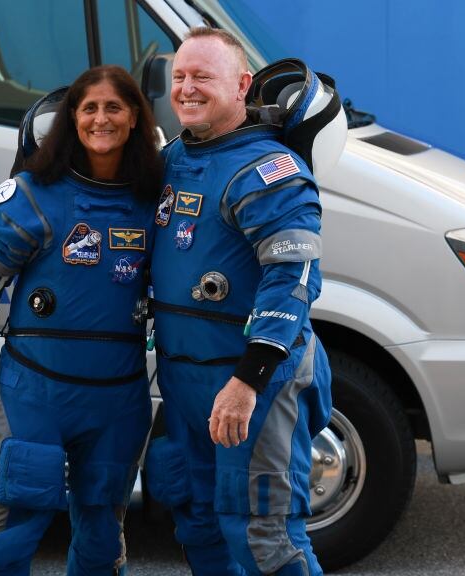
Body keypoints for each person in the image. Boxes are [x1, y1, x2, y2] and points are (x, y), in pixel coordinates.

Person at [0, 65, 162, 575]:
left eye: (113, 107)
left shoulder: (155, 203)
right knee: (12, 534)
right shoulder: (33, 195)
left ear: (133, 120)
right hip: (35, 393)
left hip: (117, 398)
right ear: (71, 120)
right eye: (89, 108)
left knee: (102, 538)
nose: (100, 119)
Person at [143, 27, 335, 576]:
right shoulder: (173, 158)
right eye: (179, 76)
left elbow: (293, 277)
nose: (186, 88)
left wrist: (248, 379)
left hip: (253, 384)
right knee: (198, 522)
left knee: (264, 535)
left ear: (243, 84)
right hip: (185, 382)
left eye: (203, 76)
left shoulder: (268, 170)